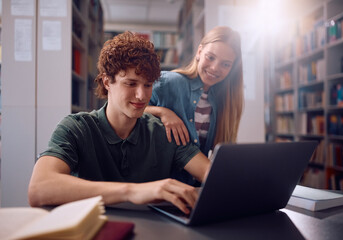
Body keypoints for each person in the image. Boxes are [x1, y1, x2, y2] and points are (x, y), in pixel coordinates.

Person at [28, 31, 210, 215]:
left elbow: (213, 177)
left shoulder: (163, 132)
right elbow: (39, 188)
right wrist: (131, 191)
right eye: (131, 84)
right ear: (107, 82)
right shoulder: (76, 128)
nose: (141, 95)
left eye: (148, 85)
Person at [145, 26, 244, 185]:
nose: (214, 68)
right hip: (158, 187)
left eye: (225, 64)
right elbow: (124, 110)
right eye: (210, 57)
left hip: (195, 190)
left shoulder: (224, 102)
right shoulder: (168, 82)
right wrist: (162, 112)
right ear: (199, 52)